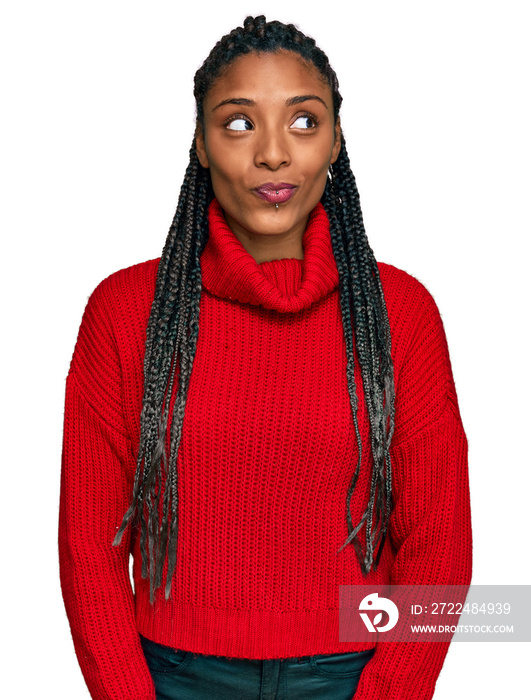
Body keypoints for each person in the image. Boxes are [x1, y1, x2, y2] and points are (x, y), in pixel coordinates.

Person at [58, 15, 472, 700]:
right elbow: (89, 548)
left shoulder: (401, 312)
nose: (273, 154)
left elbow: (439, 546)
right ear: (200, 143)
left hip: (354, 672)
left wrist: (391, 692)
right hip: (170, 676)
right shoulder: (125, 310)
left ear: (335, 142)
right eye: (239, 123)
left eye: (303, 122)